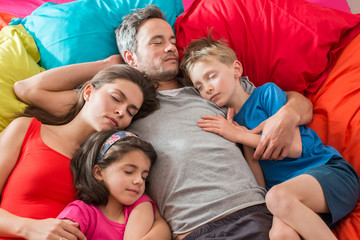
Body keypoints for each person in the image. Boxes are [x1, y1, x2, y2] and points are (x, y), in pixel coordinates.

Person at [14, 5, 313, 239]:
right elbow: (28, 90)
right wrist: (106, 65)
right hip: (196, 227)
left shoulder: (208, 88)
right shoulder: (123, 109)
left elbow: (296, 100)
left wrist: (288, 114)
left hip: (255, 210)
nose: (171, 47)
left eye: (172, 40)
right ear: (131, 56)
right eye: (157, 43)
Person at [180, 36, 360, 240]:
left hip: (330, 175)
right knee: (279, 234)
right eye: (199, 87)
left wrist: (238, 134)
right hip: (293, 203)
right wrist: (241, 138)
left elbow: (293, 148)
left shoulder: (266, 93)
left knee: (276, 197)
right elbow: (259, 182)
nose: (208, 88)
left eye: (211, 76)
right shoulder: (232, 124)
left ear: (236, 70)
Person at [1, 64, 171, 240]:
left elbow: (161, 225)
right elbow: (27, 87)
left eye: (130, 112)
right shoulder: (26, 129)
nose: (121, 112)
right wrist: (29, 228)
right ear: (89, 92)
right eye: (116, 98)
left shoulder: (113, 163)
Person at [57, 129, 158, 240]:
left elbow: (163, 229)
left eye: (144, 177)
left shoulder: (140, 207)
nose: (139, 181)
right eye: (128, 171)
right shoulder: (80, 212)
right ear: (99, 173)